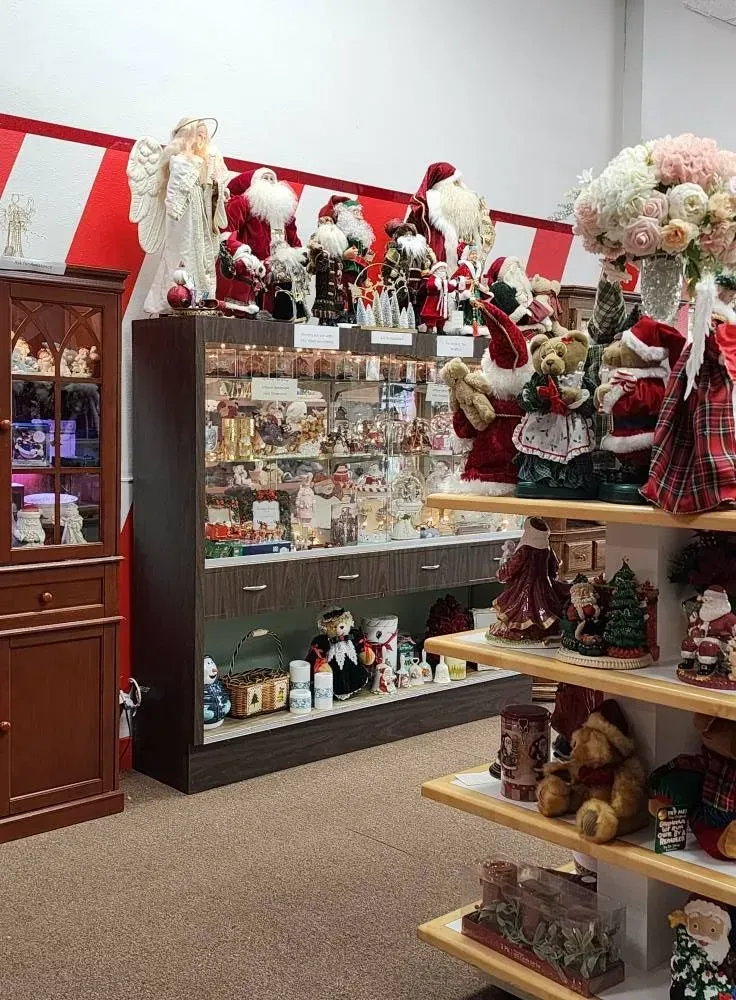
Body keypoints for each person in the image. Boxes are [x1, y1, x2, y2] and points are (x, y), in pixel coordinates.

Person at [405, 161, 494, 272]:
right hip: (433, 269)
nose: (459, 187)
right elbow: (409, 233)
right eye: (454, 182)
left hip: (460, 273)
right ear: (443, 184)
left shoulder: (465, 212)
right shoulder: (426, 204)